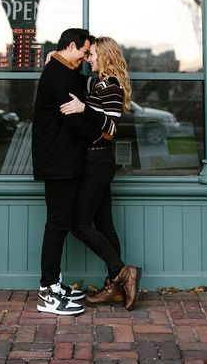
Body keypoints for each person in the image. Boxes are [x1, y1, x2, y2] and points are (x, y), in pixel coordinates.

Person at [60, 36, 142, 310]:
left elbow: (112, 128)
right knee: (105, 225)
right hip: (95, 161)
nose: (88, 59)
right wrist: (55, 58)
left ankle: (122, 272)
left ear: (105, 56)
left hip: (99, 161)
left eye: (92, 54)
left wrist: (84, 109)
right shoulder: (98, 83)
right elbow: (76, 78)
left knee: (80, 226)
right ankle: (115, 287)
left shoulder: (112, 87)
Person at [32, 27, 103, 315]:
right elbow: (71, 118)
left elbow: (86, 83)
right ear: (72, 46)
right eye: (85, 52)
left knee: (60, 223)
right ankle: (48, 291)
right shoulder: (57, 74)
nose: (87, 58)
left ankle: (55, 285)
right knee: (57, 224)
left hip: (64, 159)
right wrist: (100, 136)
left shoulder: (63, 70)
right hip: (57, 161)